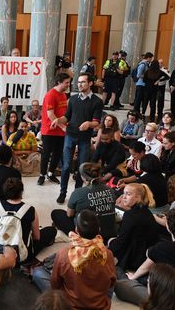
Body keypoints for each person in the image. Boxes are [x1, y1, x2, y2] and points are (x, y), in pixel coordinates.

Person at [115, 208, 175, 309]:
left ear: (168, 226)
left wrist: (133, 277)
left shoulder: (163, 248)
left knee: (121, 285)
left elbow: (145, 267)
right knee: (146, 279)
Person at [32, 210, 116, 310]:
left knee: (38, 272)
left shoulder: (64, 253)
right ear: (99, 229)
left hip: (69, 306)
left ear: (76, 230)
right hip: (100, 306)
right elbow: (111, 283)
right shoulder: (107, 254)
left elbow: (55, 284)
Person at [51, 73, 104, 204]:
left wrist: (89, 124)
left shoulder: (97, 101)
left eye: (83, 82)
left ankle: (76, 194)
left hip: (84, 138)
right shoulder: (73, 99)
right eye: (78, 82)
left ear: (90, 84)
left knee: (81, 167)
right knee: (66, 166)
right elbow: (67, 117)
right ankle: (62, 192)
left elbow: (96, 122)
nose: (79, 84)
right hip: (70, 135)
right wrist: (58, 120)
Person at [0, 177, 54, 262]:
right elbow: (36, 237)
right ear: (21, 192)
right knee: (51, 231)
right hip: (22, 256)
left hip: (1, 253)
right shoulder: (30, 210)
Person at [51, 163, 117, 240]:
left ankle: (76, 236)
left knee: (56, 213)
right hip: (109, 233)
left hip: (87, 234)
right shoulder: (110, 189)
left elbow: (69, 214)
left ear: (84, 178)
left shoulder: (78, 192)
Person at [109, 183, 159, 271]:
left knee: (110, 241)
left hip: (135, 259)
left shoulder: (130, 216)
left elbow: (121, 242)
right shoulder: (146, 211)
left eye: (128, 194)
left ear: (138, 198)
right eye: (124, 193)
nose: (124, 197)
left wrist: (107, 251)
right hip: (144, 254)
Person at [38, 73, 69, 186]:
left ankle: (51, 173)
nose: (68, 85)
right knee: (46, 153)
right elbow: (50, 114)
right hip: (49, 129)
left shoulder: (64, 95)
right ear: (59, 82)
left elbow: (63, 112)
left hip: (60, 131)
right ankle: (42, 175)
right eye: (66, 82)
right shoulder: (50, 94)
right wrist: (63, 127)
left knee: (57, 153)